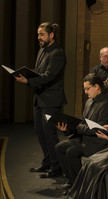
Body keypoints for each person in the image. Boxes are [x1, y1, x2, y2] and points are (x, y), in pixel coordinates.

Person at [15, 22, 67, 178]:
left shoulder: (57, 52)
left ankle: (57, 167)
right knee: (40, 132)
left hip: (51, 101)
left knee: (50, 134)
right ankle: (47, 163)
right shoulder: (42, 51)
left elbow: (49, 76)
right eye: (38, 34)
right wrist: (27, 75)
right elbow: (39, 73)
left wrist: (28, 81)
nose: (39, 37)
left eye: (42, 34)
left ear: (51, 35)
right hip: (40, 99)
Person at [55, 73, 108, 188]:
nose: (86, 92)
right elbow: (82, 123)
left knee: (71, 152)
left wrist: (78, 127)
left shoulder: (107, 104)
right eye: (85, 89)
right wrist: (67, 129)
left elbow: (99, 129)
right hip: (85, 139)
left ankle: (81, 185)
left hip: (99, 143)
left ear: (97, 87)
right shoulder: (89, 102)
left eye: (88, 89)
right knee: (59, 147)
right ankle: (72, 181)